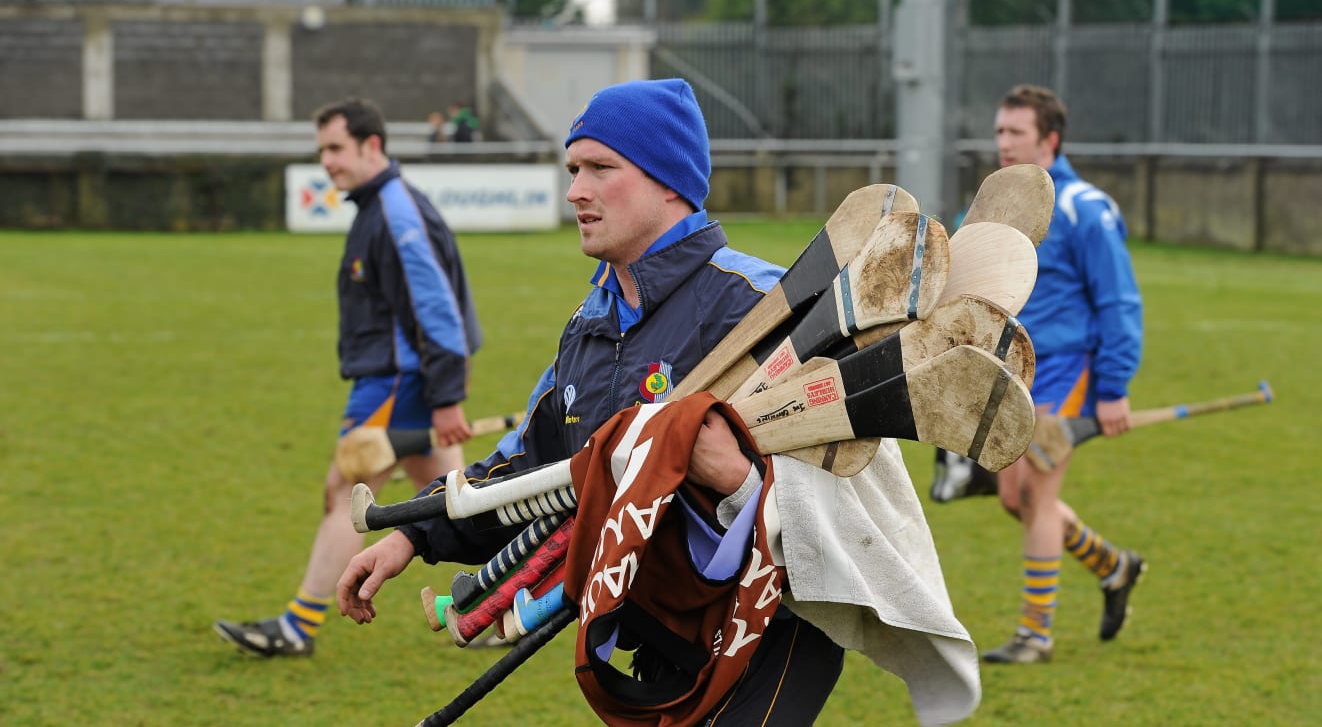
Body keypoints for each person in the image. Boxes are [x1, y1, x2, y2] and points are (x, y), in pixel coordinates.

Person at [335, 79, 980, 723]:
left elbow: (855, 486)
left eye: (599, 169)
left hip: (770, 635)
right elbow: (536, 468)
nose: (575, 190)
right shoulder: (591, 323)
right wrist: (414, 536)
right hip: (660, 635)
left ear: (668, 182)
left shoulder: (757, 303)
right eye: (572, 169)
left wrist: (740, 478)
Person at [214, 97, 483, 657]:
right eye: (322, 150)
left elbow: (437, 311)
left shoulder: (394, 211)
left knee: (346, 493)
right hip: (403, 380)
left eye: (336, 148)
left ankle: (296, 627)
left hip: (395, 384)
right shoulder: (379, 206)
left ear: (372, 146)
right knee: (458, 499)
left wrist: (447, 398)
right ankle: (500, 606)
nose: (327, 162)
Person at [980, 84, 1146, 664]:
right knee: (1013, 497)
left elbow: (1119, 300)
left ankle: (1034, 635)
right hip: (1011, 372)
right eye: (999, 131)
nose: (1002, 142)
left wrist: (1115, 387)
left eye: (1015, 132)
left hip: (1067, 372)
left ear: (1048, 140)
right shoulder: (994, 204)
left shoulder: (1085, 209)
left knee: (1037, 493)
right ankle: (1114, 566)